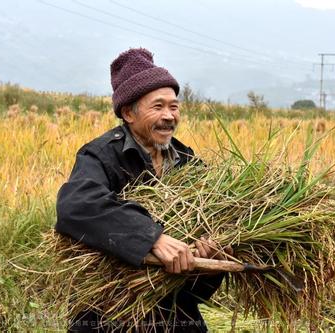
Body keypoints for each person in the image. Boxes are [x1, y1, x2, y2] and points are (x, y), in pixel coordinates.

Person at [55, 48, 226, 332]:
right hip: (110, 313)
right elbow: (77, 205)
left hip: (176, 314)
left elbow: (199, 281)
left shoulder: (188, 163)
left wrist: (209, 257)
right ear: (128, 113)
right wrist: (152, 238)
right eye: (157, 107)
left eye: (174, 106)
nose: (169, 116)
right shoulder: (101, 155)